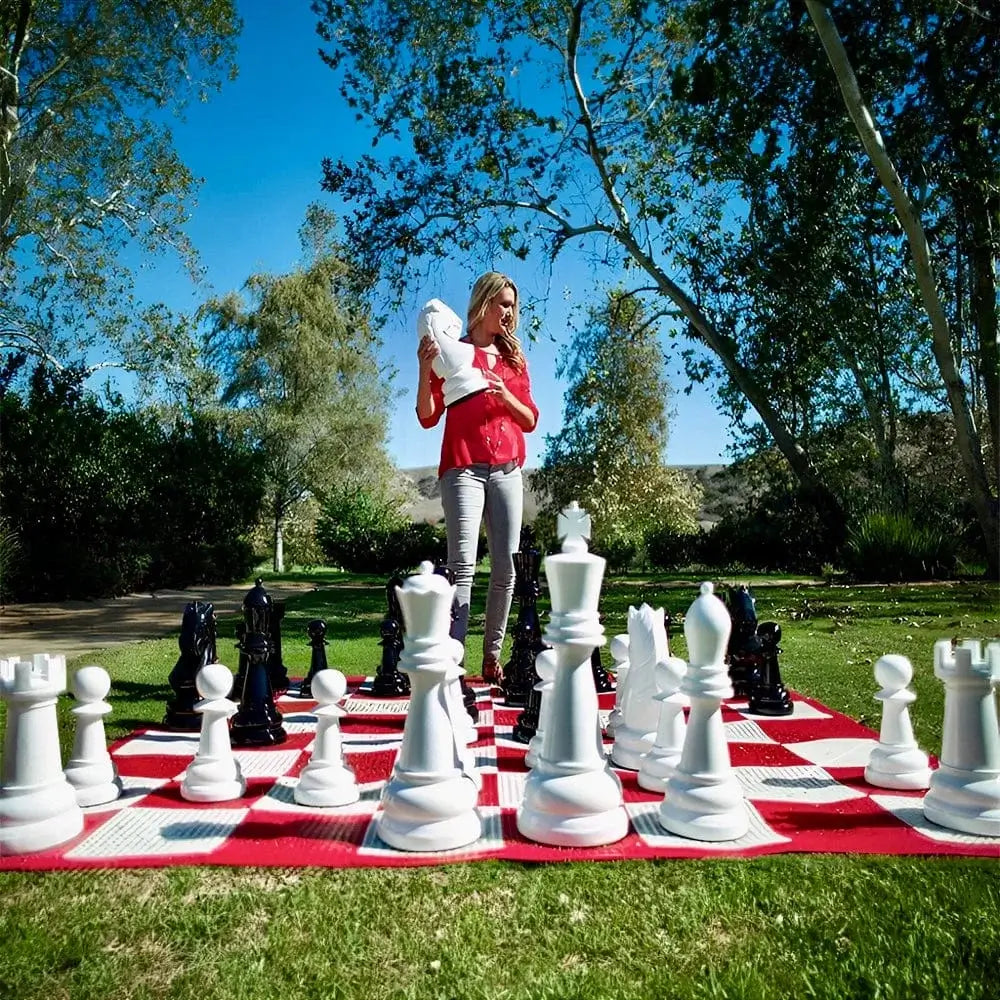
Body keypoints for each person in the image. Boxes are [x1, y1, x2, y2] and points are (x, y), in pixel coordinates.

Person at [416, 271, 539, 683]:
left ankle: (492, 657)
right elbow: (428, 416)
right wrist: (422, 369)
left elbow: (531, 419)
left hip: (507, 469)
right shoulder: (451, 351)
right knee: (462, 566)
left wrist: (505, 396)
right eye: (503, 303)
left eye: (512, 305)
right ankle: (453, 660)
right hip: (462, 466)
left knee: (507, 568)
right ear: (483, 304)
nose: (509, 312)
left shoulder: (514, 362)